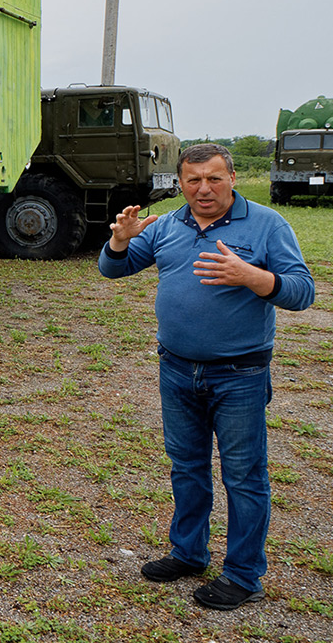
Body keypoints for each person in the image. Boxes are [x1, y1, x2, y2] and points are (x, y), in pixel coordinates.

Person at [99, 142, 315, 610]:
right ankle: (189, 553)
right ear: (180, 183)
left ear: (233, 178)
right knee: (187, 467)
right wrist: (120, 239)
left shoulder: (267, 226)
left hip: (239, 374)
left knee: (243, 476)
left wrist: (253, 277)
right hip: (176, 369)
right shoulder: (169, 226)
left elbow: (302, 292)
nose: (203, 189)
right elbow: (113, 270)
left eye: (214, 178)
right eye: (193, 180)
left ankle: (243, 575)